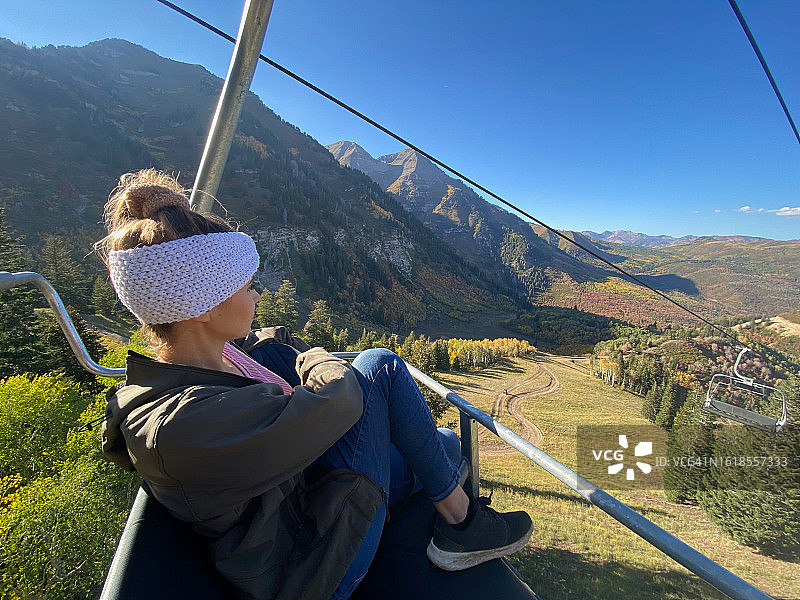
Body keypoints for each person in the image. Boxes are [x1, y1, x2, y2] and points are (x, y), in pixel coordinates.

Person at [98, 169, 533, 600]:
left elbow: (270, 341)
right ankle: (462, 528)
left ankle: (443, 504)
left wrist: (290, 351)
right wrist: (318, 360)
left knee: (446, 445)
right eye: (247, 287)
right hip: (312, 567)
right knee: (381, 366)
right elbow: (339, 397)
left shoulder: (214, 359)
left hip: (301, 500)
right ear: (202, 308)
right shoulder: (182, 424)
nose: (257, 296)